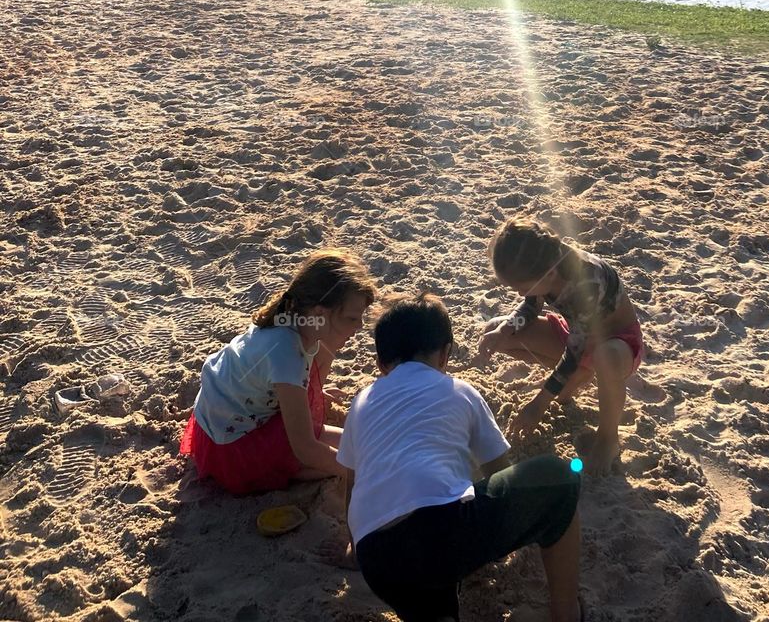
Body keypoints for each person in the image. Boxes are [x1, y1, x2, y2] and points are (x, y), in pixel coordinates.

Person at [338, 293, 584, 622]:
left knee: (428, 592)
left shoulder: (361, 402)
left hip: (377, 559)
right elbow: (500, 473)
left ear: (381, 364)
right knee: (559, 477)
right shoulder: (460, 391)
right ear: (445, 354)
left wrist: (356, 550)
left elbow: (351, 484)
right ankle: (566, 612)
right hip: (443, 531)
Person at [179, 250, 376, 495]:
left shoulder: (296, 320)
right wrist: (361, 473)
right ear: (319, 313)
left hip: (223, 414)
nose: (359, 327)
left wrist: (317, 394)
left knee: (356, 446)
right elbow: (306, 448)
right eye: (352, 318)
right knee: (323, 460)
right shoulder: (287, 353)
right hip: (232, 446)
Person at [478, 219, 643, 475]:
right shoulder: (543, 262)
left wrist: (539, 403)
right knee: (496, 332)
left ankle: (607, 438)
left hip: (617, 344)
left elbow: (573, 353)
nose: (519, 294)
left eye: (521, 288)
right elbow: (532, 306)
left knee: (604, 357)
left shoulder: (586, 281)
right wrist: (506, 329)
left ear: (550, 274)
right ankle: (579, 377)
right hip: (576, 335)